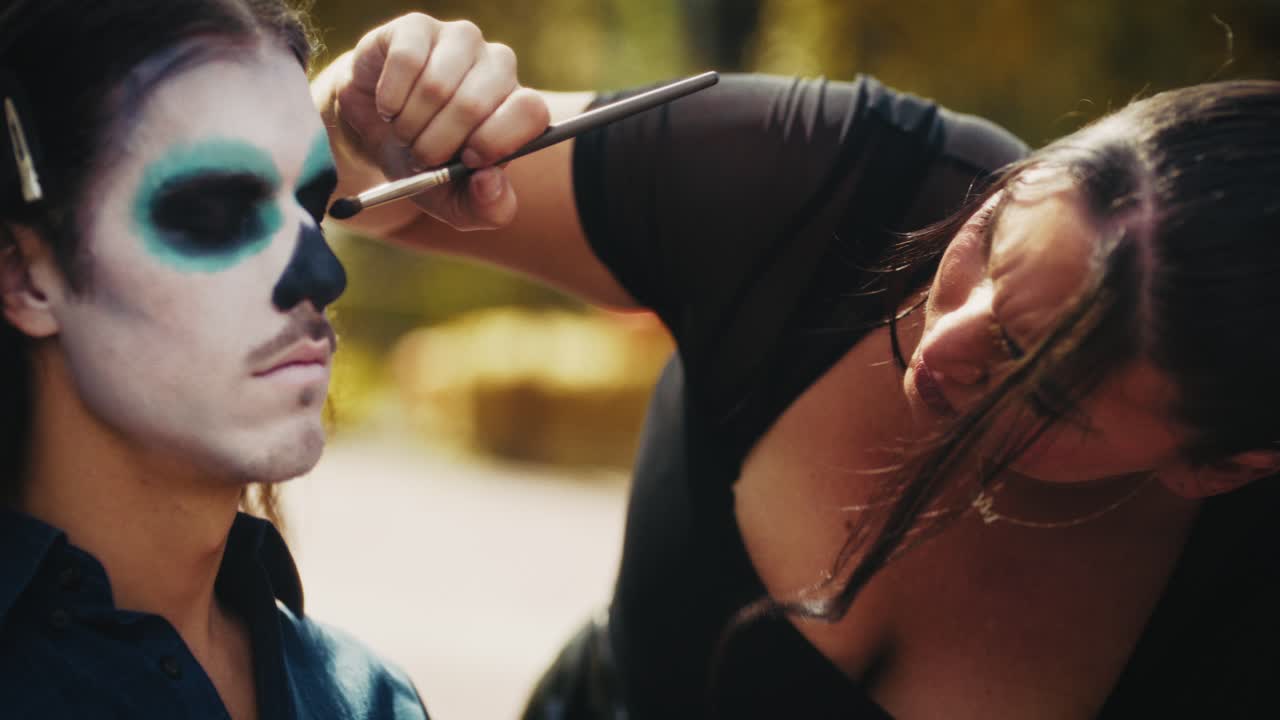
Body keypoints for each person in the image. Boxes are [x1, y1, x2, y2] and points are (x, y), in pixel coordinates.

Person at [318, 12, 1280, 720]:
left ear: (1221, 466)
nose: (943, 341)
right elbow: (378, 192)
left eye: (1044, 382)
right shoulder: (835, 177)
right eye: (988, 240)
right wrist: (376, 110)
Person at [0, 1, 430, 717]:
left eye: (315, 206)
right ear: (25, 274)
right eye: (217, 210)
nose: (323, 277)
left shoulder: (372, 700)